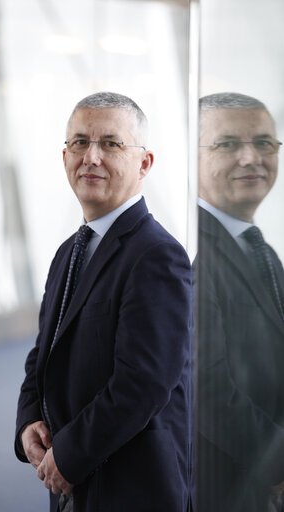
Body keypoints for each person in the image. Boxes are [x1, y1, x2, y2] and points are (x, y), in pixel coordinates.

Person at [15, 91, 192, 512]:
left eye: (110, 144)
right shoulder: (68, 252)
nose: (91, 157)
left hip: (132, 488)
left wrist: (71, 455)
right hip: (76, 484)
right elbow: (43, 352)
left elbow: (143, 382)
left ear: (144, 163)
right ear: (64, 157)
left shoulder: (156, 255)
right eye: (79, 143)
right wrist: (27, 423)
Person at [196, 92, 284, 512]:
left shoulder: (260, 250)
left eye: (265, 143)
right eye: (227, 144)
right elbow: (206, 389)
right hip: (225, 487)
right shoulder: (188, 251)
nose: (251, 158)